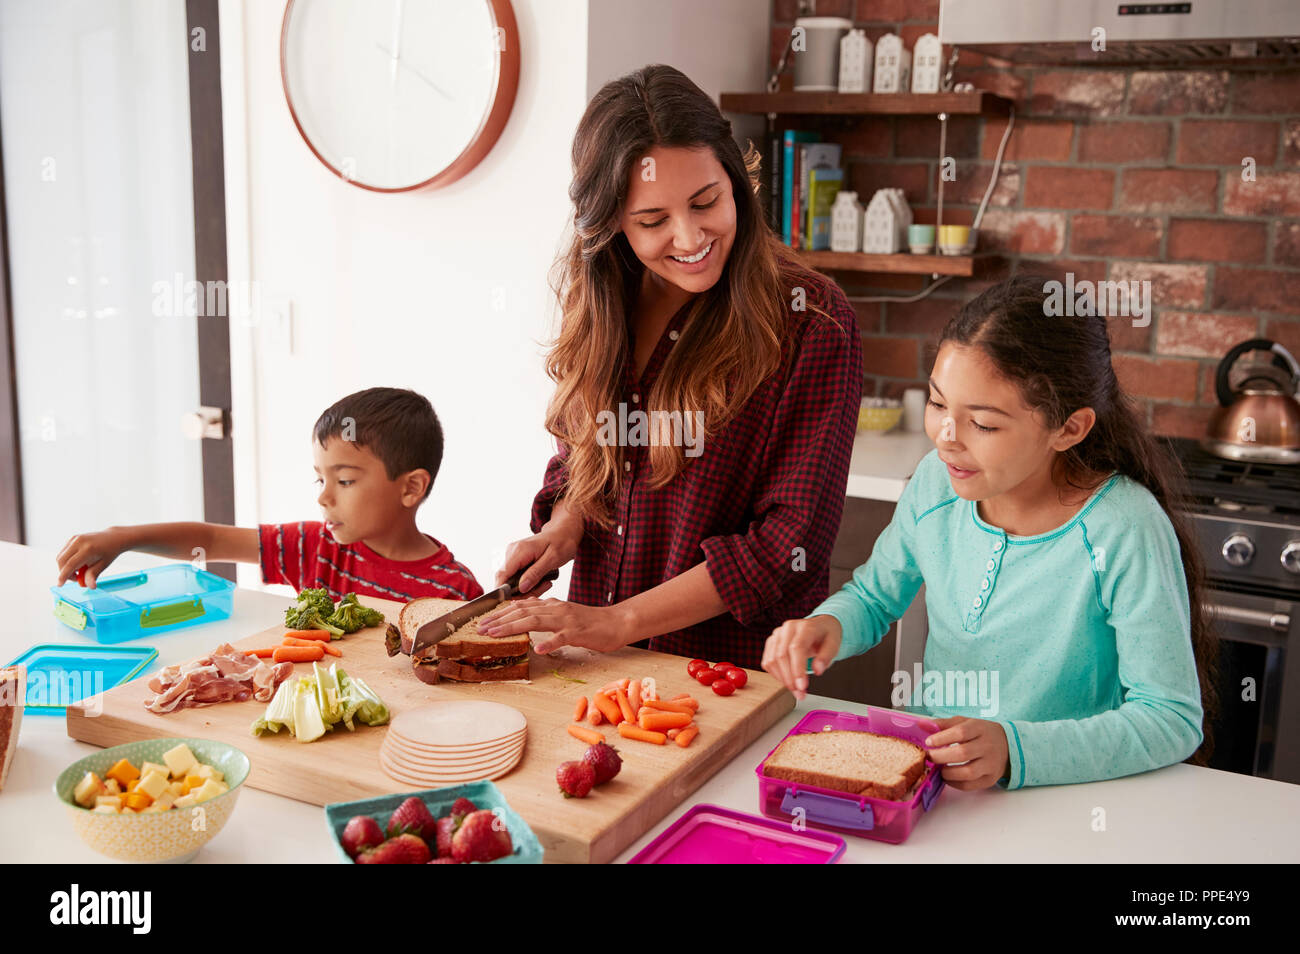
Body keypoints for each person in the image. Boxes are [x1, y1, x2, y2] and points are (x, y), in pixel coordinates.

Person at [762, 275, 1219, 791]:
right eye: (938, 405)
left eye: (983, 423)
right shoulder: (936, 482)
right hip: (935, 786)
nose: (947, 439)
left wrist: (1014, 751)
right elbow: (873, 595)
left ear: (1069, 428)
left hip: (1069, 800)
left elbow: (1170, 719)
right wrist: (829, 626)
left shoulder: (1123, 529)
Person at [477, 64, 862, 668]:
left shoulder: (811, 319)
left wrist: (620, 620)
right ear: (610, 224)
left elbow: (790, 543)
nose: (690, 237)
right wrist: (564, 527)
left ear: (735, 180)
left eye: (706, 201)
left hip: (726, 677)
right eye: (653, 221)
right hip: (596, 667)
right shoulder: (604, 301)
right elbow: (586, 453)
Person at [55, 387, 484, 602]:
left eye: (345, 481)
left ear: (411, 487)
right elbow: (216, 540)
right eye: (320, 480)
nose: (324, 497)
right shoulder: (315, 548)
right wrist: (124, 537)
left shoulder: (454, 591)